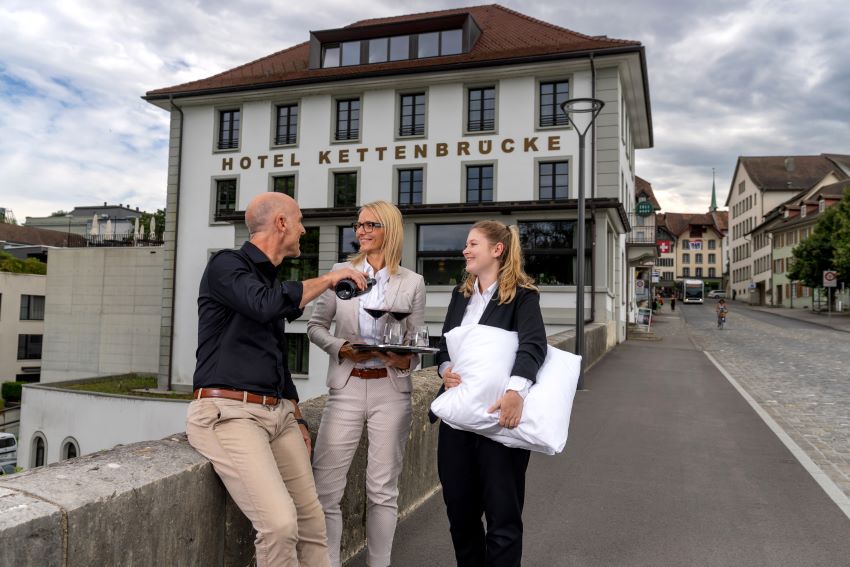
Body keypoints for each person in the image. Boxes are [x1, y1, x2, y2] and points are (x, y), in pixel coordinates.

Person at [186, 192, 369, 567]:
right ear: (282, 223)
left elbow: (274, 357)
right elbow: (264, 304)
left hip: (279, 414)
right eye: (300, 221)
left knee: (312, 522)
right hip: (229, 413)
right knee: (280, 525)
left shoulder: (271, 280)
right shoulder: (226, 265)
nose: (303, 229)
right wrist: (331, 279)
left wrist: (296, 413)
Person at [307, 201, 426, 567]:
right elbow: (314, 327)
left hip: (391, 392)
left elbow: (416, 344)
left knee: (382, 491)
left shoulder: (413, 282)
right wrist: (341, 347)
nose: (360, 232)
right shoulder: (338, 273)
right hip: (345, 388)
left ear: (388, 229)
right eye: (357, 226)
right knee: (325, 490)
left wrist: (404, 358)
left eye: (369, 225)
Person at [433, 220, 547, 567]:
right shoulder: (460, 295)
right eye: (466, 245)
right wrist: (445, 370)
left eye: (473, 244)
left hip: (499, 419)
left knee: (503, 521)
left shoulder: (523, 297)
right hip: (457, 425)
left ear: (497, 250)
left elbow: (533, 346)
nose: (465, 250)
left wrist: (516, 391)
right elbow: (443, 347)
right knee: (461, 518)